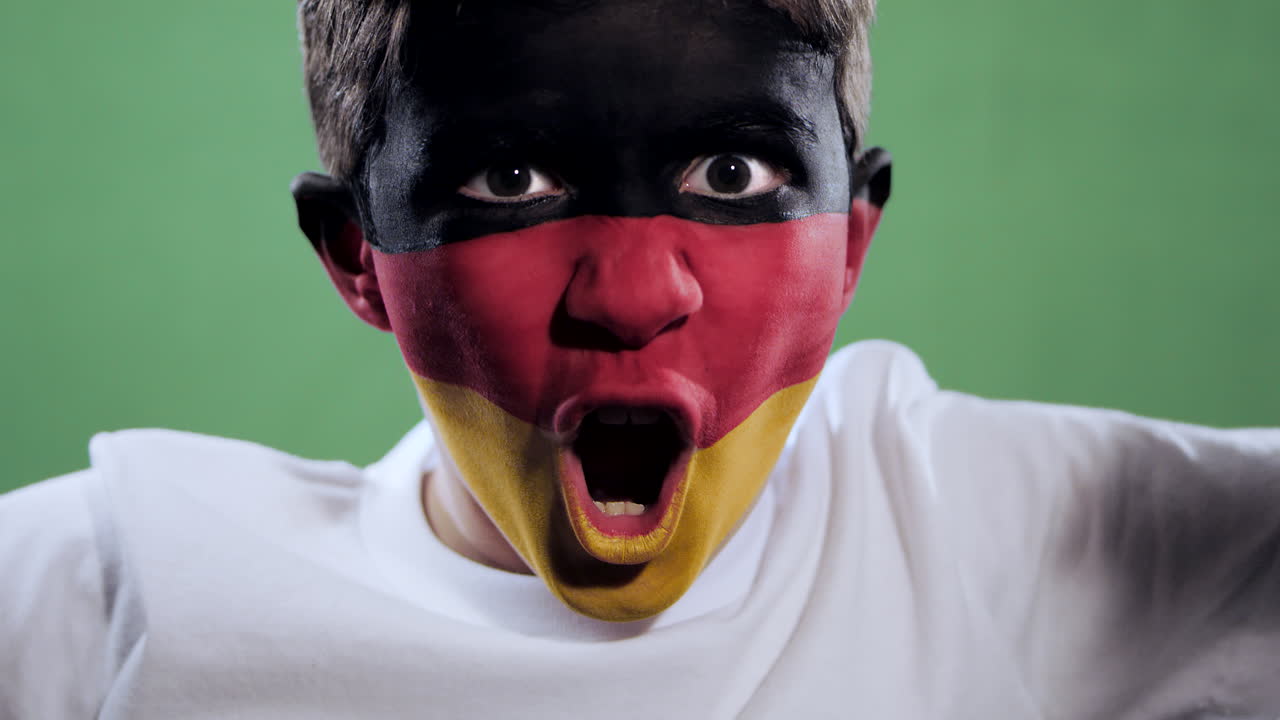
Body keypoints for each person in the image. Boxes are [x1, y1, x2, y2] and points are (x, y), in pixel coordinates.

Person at [2, 0, 1277, 718]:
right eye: (508, 177)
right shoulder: (104, 592)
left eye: (733, 171)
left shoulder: (975, 526)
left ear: (852, 241)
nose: (632, 294)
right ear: (355, 255)